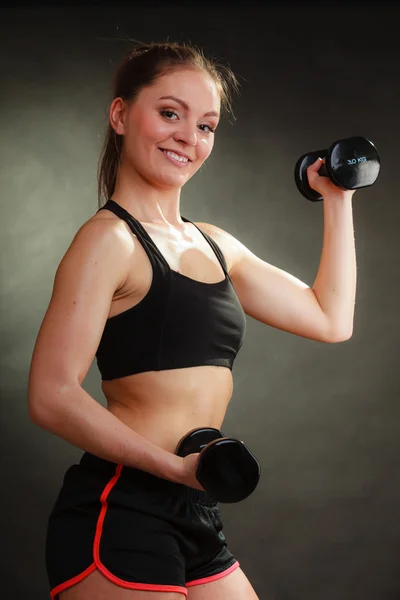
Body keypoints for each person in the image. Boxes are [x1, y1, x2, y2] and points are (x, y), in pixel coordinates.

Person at [28, 41, 357, 600]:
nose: (189, 137)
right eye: (170, 113)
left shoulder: (216, 244)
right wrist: (170, 468)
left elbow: (330, 318)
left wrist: (337, 196)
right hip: (123, 505)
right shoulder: (108, 240)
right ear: (121, 115)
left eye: (205, 125)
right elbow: (52, 395)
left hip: (194, 505)